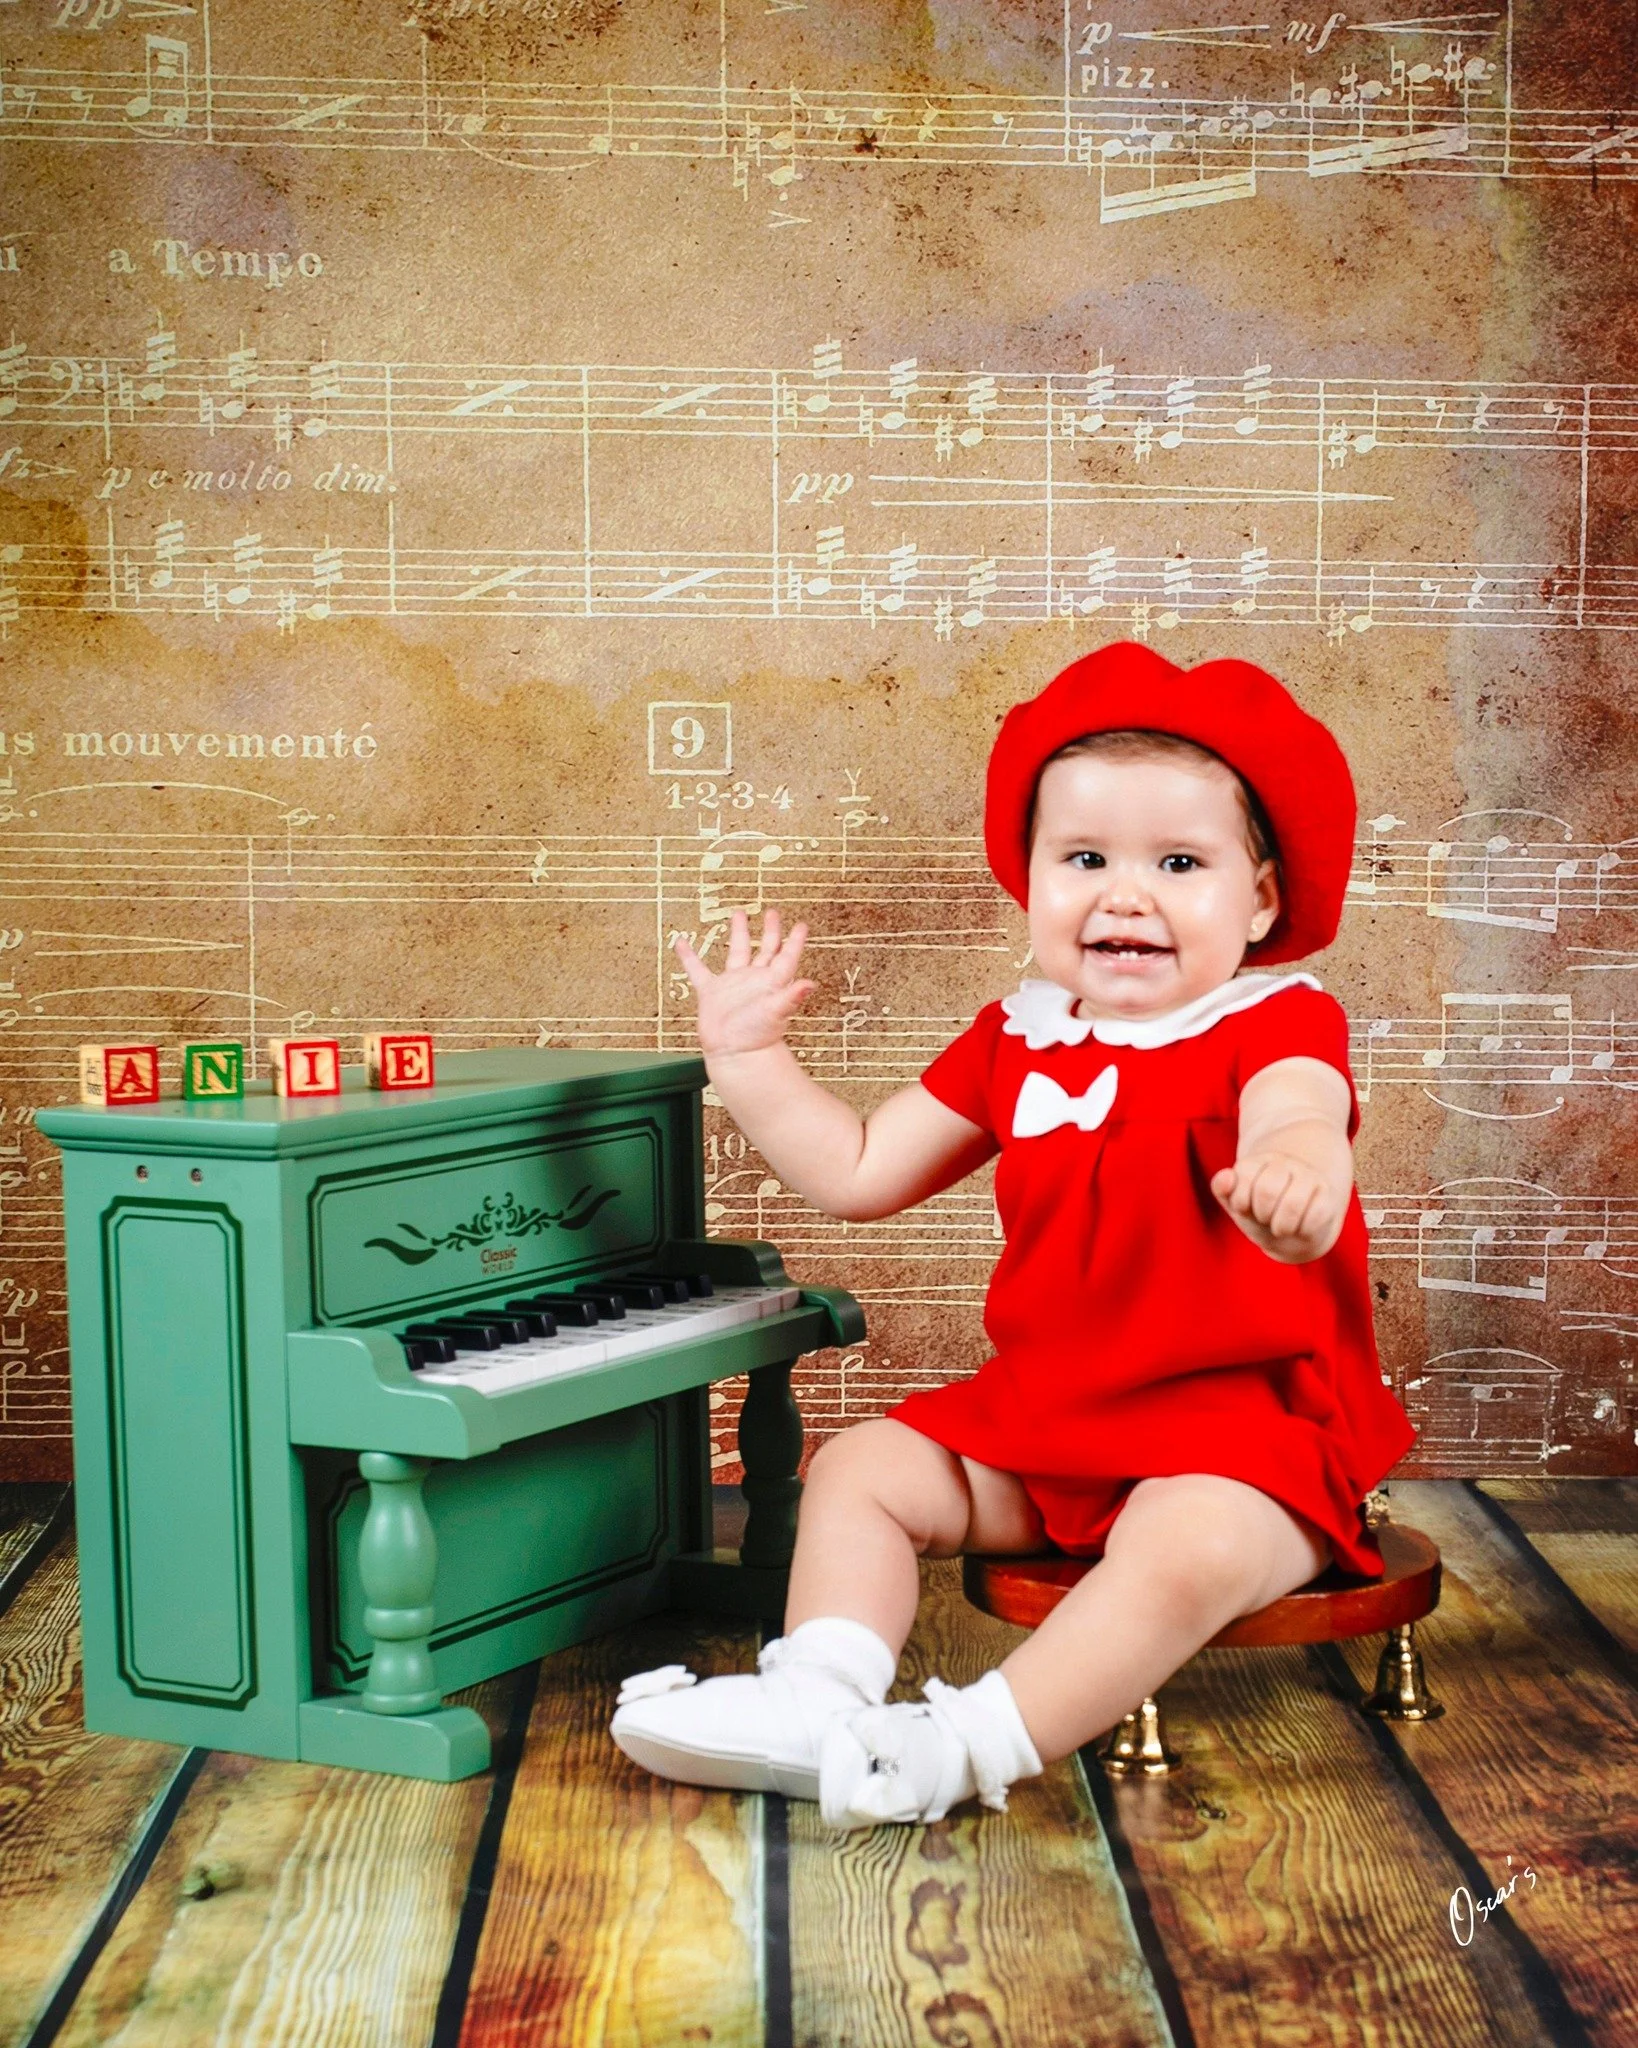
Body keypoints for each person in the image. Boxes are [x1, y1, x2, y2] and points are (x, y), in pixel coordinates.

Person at [610, 640, 1416, 1831]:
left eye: (1179, 862)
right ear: (1029, 876)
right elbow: (860, 1168)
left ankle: (959, 1744)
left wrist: (1298, 1173)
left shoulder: (1280, 1022)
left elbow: (1297, 1110)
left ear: (1260, 897)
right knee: (860, 1469)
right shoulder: (1018, 1035)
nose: (1124, 893)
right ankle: (818, 1694)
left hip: (1242, 1424)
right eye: (1083, 856)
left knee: (1185, 1540)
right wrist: (748, 1057)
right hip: (1051, 1416)